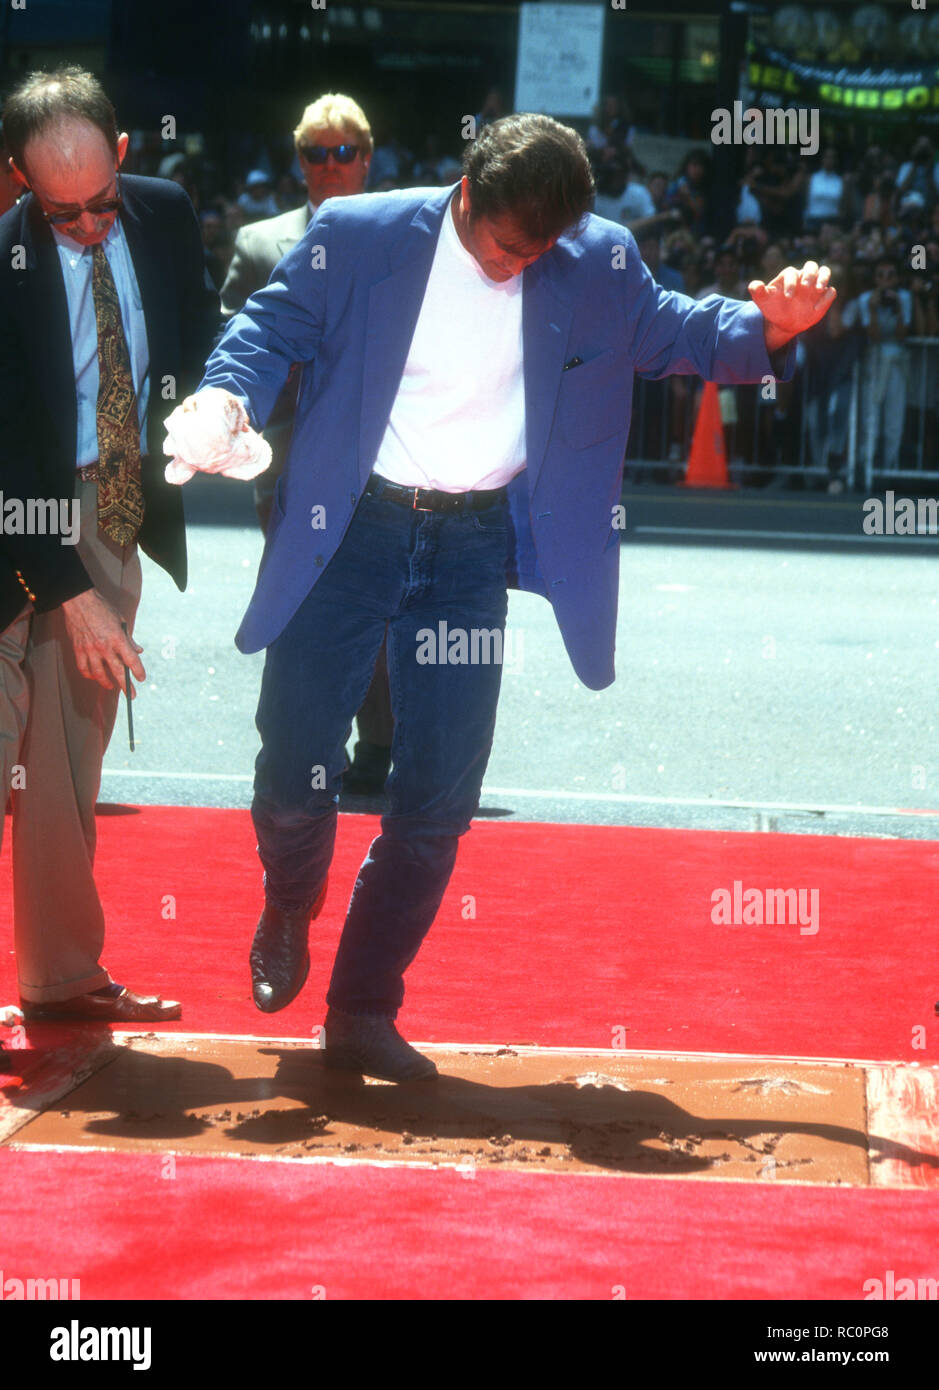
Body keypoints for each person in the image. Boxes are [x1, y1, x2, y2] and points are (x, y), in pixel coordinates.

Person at [182, 113, 833, 1083]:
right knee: (294, 769)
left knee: (439, 796)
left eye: (541, 251)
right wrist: (223, 399)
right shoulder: (359, 232)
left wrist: (770, 326)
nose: (517, 265)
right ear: (466, 193)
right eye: (504, 245)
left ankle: (363, 1005)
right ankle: (290, 891)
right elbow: (267, 326)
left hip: (472, 545)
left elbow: (672, 329)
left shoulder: (592, 256)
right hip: (349, 529)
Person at [0, 66, 218, 1022]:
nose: (91, 229)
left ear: (124, 156)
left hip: (109, 510)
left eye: (101, 205)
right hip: (21, 517)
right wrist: (62, 586)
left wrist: (216, 418)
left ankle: (61, 977)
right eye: (63, 214)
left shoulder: (164, 213)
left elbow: (197, 340)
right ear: (17, 179)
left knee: (61, 769)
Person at [220, 93, 392, 797]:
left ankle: (377, 741)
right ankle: (298, 743)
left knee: (377, 604)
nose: (329, 166)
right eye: (315, 153)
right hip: (291, 463)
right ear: (299, 161)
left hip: (385, 460)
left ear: (366, 157)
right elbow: (235, 341)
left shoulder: (404, 234)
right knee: (299, 603)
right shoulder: (261, 243)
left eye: (342, 152)